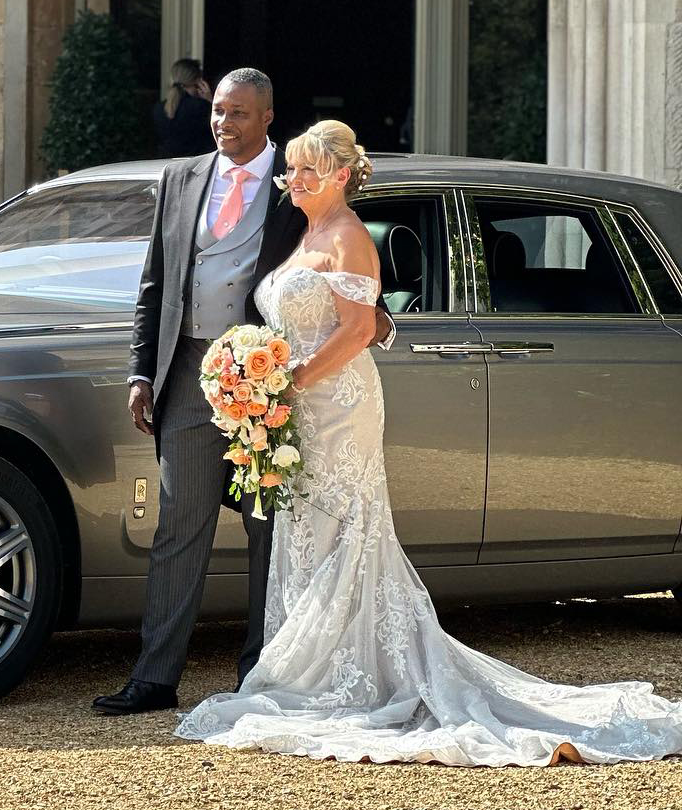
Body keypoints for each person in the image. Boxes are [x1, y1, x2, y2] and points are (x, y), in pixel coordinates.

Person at [174, 119, 682, 766]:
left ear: (337, 176)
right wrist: (261, 374)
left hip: (335, 403)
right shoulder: (308, 236)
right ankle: (312, 672)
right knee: (306, 531)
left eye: (305, 170)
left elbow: (358, 330)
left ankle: (346, 678)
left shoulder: (352, 237)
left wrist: (287, 380)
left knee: (344, 528)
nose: (291, 181)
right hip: (302, 404)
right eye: (290, 170)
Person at [94, 68, 392, 717]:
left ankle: (263, 672)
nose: (221, 123)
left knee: (269, 529)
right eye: (217, 112)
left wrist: (372, 326)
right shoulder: (180, 179)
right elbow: (154, 285)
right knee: (179, 523)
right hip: (187, 375)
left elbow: (346, 276)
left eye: (235, 114)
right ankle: (153, 677)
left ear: (265, 117)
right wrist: (142, 373)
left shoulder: (297, 192)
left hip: (270, 380)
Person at [153, 59, 213, 158]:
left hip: (166, 163)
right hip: (195, 163)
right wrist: (210, 101)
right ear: (199, 82)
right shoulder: (201, 107)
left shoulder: (159, 108)